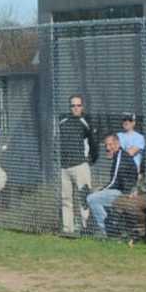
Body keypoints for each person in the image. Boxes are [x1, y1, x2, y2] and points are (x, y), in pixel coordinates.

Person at [55, 94, 96, 235]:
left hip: (80, 165)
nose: (76, 108)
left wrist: (91, 159)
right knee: (66, 199)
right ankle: (68, 229)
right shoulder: (63, 121)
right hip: (64, 167)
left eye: (78, 105)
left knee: (83, 198)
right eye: (73, 105)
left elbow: (93, 142)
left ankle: (86, 228)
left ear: (82, 107)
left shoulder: (86, 122)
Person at [87, 134, 141, 235]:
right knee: (95, 197)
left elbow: (115, 180)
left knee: (91, 198)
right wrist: (103, 188)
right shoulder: (118, 156)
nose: (107, 148)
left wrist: (102, 190)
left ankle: (108, 230)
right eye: (106, 145)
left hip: (124, 192)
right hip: (122, 190)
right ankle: (111, 228)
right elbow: (115, 180)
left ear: (117, 144)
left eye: (110, 145)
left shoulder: (120, 156)